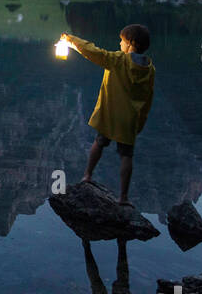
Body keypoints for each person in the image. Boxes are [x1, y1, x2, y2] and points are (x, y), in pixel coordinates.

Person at [60, 24, 155, 206]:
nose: (119, 44)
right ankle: (124, 197)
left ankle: (87, 175)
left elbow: (93, 52)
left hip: (110, 114)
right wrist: (140, 121)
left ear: (131, 43)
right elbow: (149, 97)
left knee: (99, 143)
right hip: (130, 119)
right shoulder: (150, 70)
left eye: (122, 41)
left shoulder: (118, 60)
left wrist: (71, 39)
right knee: (126, 156)